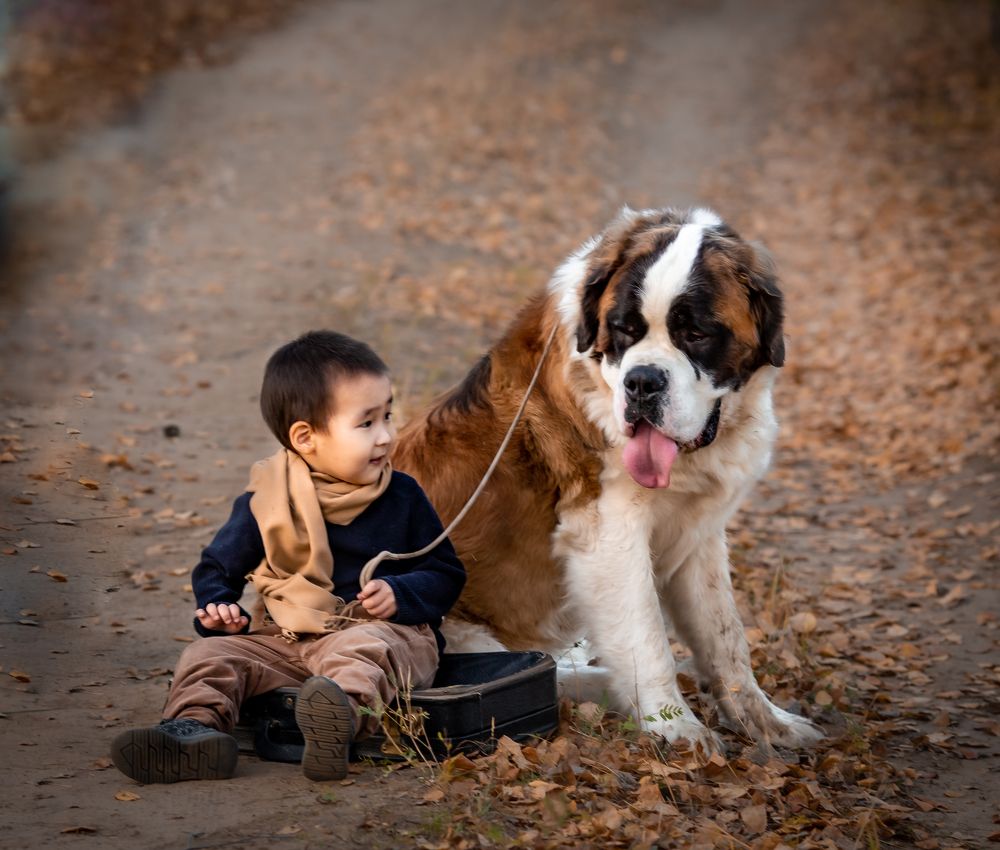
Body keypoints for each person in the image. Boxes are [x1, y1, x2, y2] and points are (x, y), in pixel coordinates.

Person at [111, 331, 466, 783]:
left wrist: (401, 592)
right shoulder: (268, 498)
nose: (386, 437)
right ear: (305, 437)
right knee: (210, 654)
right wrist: (219, 607)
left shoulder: (402, 495)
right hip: (286, 638)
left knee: (364, 650)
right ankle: (193, 733)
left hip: (378, 632)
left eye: (388, 416)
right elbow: (218, 567)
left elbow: (446, 572)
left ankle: (337, 722)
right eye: (367, 423)